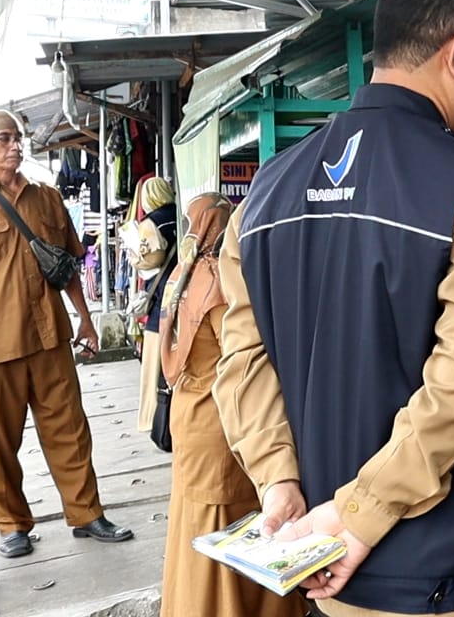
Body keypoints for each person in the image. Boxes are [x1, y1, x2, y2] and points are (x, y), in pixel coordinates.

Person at [214, 0, 454, 617]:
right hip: (442, 574)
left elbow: (242, 363)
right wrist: (360, 515)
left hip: (325, 562)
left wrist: (280, 483)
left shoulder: (264, 194)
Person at [157, 193, 306, 617]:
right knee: (231, 534)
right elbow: (242, 360)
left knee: (195, 531)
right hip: (221, 427)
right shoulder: (219, 279)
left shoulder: (182, 275)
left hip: (189, 414)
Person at [0, 109, 132, 558]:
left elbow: (68, 264)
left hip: (51, 335)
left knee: (69, 428)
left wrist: (86, 319)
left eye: (17, 137)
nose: (15, 146)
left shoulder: (48, 198)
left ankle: (86, 513)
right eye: (4, 138)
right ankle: (11, 524)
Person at [129, 176, 178, 432]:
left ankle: (153, 418)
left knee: (154, 367)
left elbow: (149, 260)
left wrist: (133, 256)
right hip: (185, 294)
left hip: (160, 300)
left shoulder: (151, 222)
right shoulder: (181, 213)